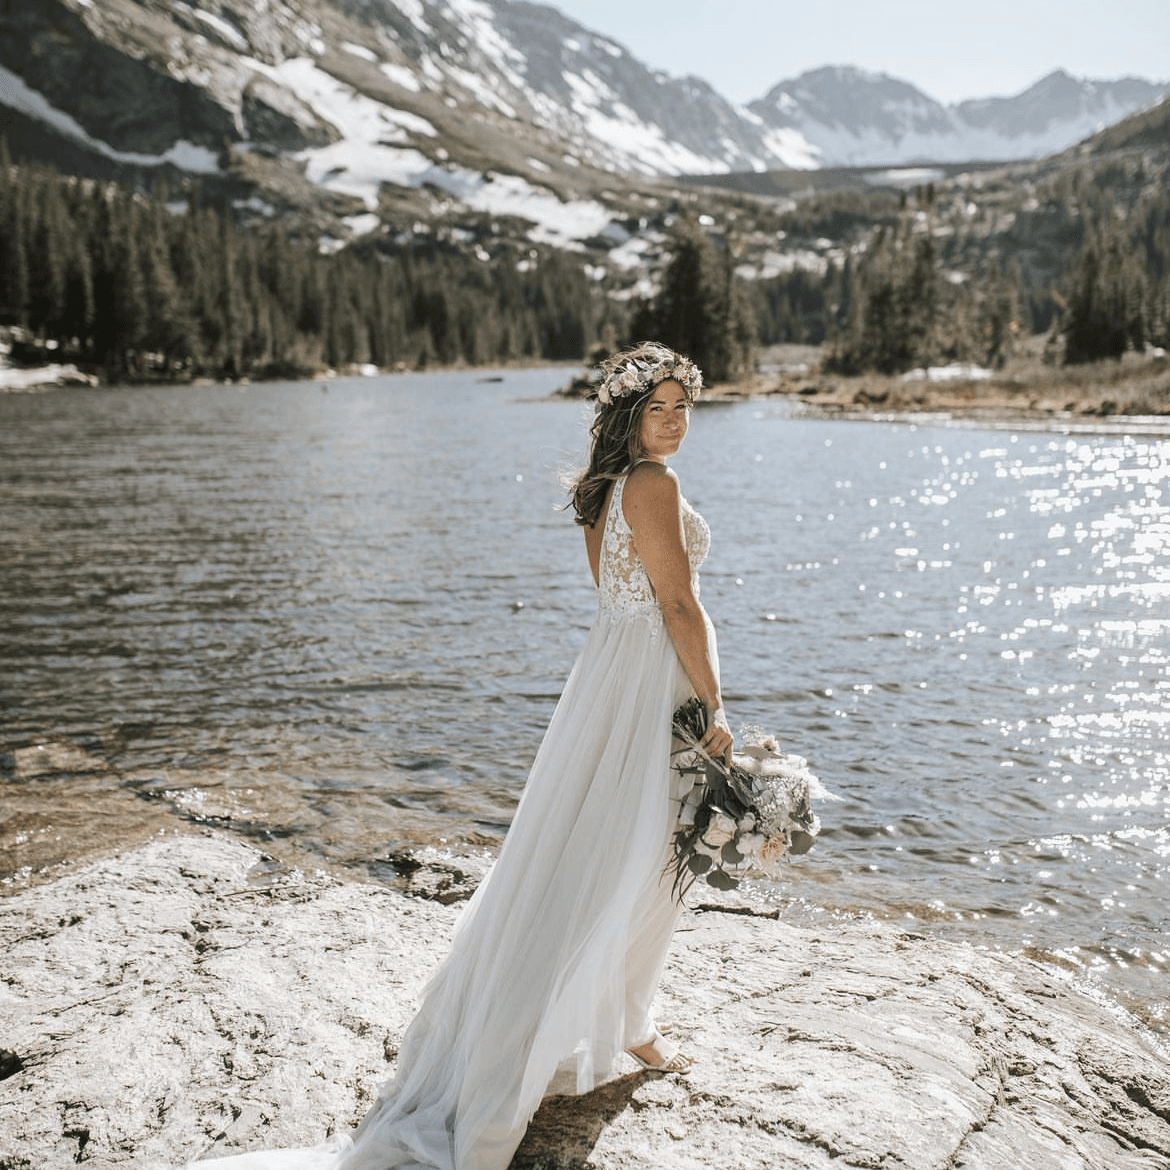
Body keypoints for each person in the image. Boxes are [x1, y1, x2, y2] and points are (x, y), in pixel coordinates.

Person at [190, 342, 732, 1170]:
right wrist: (714, 703)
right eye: (659, 408)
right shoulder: (653, 483)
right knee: (639, 857)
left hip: (605, 682)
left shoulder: (603, 491)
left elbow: (614, 595)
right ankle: (621, 1028)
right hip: (648, 681)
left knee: (592, 855)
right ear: (629, 415)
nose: (675, 422)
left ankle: (616, 1022)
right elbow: (677, 601)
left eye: (683, 407)